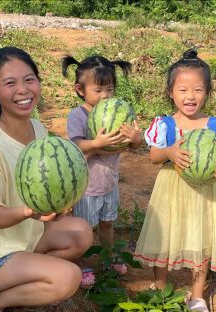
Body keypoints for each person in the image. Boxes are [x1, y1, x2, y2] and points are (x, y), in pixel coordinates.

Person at [0, 47, 93, 312]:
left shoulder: (37, 129)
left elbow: (49, 182)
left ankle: (33, 271)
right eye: (10, 83)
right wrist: (30, 211)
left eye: (29, 80)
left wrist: (59, 204)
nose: (23, 90)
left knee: (82, 233)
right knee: (68, 278)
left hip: (22, 238)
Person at [133, 49, 216, 312]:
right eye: (183, 89)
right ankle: (161, 284)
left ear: (208, 92)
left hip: (206, 194)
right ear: (170, 92)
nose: (190, 96)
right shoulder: (165, 124)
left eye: (198, 89)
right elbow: (154, 157)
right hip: (171, 190)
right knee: (165, 237)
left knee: (202, 241)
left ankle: (198, 294)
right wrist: (169, 152)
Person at [62, 55, 142, 287]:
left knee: (107, 224)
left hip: (109, 182)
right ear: (80, 89)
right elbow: (76, 146)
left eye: (110, 89)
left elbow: (133, 145)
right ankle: (85, 264)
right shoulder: (78, 116)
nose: (106, 96)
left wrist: (135, 139)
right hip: (87, 188)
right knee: (86, 230)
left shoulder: (120, 111)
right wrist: (96, 143)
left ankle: (109, 258)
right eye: (98, 90)